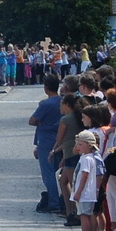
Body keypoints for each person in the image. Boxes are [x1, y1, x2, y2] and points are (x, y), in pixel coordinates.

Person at [29, 77, 65, 214]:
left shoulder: (45, 104)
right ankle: (61, 199)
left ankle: (53, 202)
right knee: (59, 169)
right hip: (60, 139)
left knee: (48, 173)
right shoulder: (62, 101)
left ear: (46, 87)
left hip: (46, 141)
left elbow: (32, 121)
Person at [70, 130, 103, 231]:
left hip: (85, 193)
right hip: (86, 193)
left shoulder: (87, 159)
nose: (77, 147)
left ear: (89, 145)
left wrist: (78, 192)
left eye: (80, 144)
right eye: (77, 144)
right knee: (85, 215)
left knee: (84, 216)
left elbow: (84, 176)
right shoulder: (86, 157)